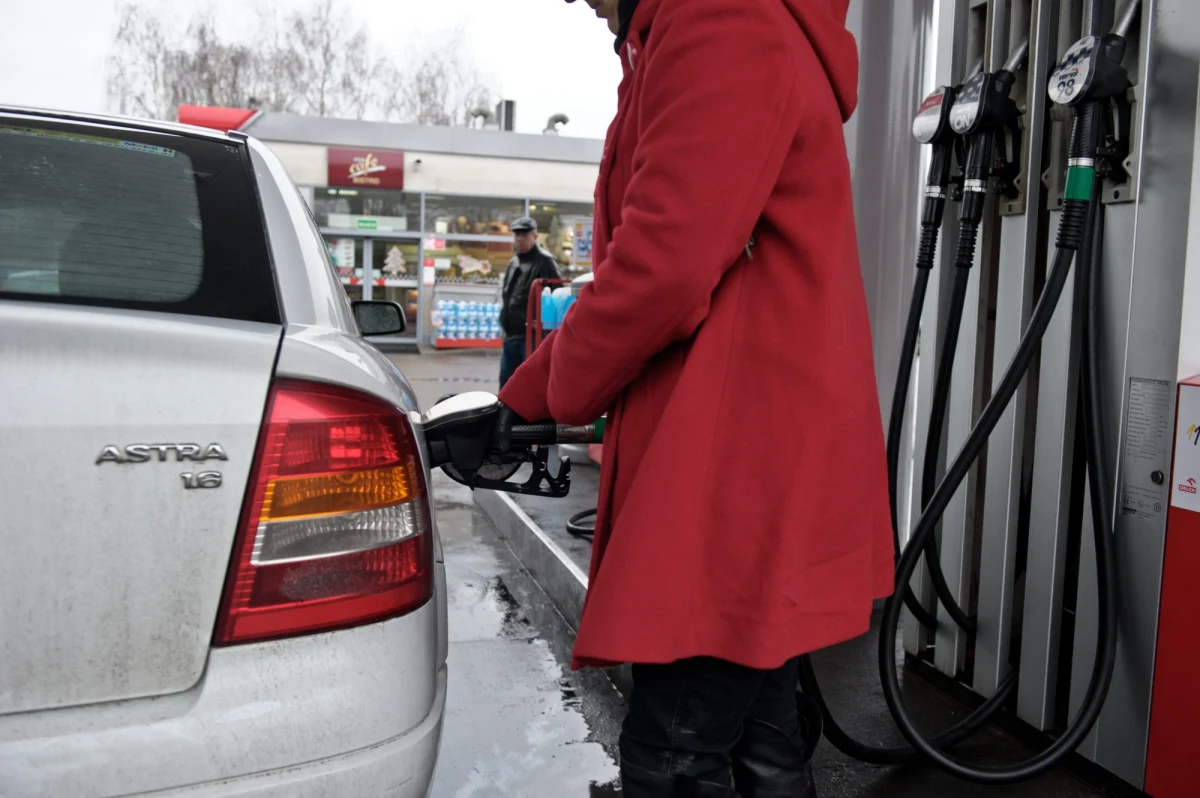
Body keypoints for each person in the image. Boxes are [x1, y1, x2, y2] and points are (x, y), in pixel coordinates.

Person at [498, 0, 892, 795]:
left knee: (675, 752)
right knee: (759, 738)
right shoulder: (691, 31)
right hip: (752, 450)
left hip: (732, 464)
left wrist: (533, 397)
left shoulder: (724, 21)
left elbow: (663, 264)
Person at [497, 216, 562, 388]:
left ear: (534, 236)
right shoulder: (514, 262)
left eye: (524, 234)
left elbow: (558, 294)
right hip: (511, 335)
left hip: (532, 336)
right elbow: (508, 295)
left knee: (529, 384)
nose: (520, 238)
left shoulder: (545, 261)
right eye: (517, 234)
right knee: (506, 383)